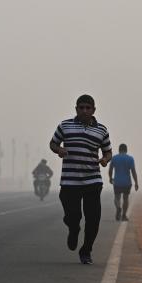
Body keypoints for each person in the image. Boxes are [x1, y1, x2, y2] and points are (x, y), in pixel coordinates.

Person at [50, 94, 112, 265]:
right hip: (70, 181)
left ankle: (86, 250)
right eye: (81, 107)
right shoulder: (65, 126)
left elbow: (108, 151)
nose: (84, 110)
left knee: (93, 219)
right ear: (76, 109)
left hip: (93, 180)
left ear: (94, 110)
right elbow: (53, 143)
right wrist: (59, 150)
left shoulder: (102, 130)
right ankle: (73, 228)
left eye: (88, 108)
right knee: (73, 216)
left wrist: (105, 160)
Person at [108, 143, 138, 221]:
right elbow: (133, 171)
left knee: (117, 198)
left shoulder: (114, 158)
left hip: (117, 182)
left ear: (119, 150)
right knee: (125, 199)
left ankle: (118, 207)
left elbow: (110, 170)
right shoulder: (130, 158)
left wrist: (110, 178)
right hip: (127, 182)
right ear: (126, 150)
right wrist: (136, 182)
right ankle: (124, 215)